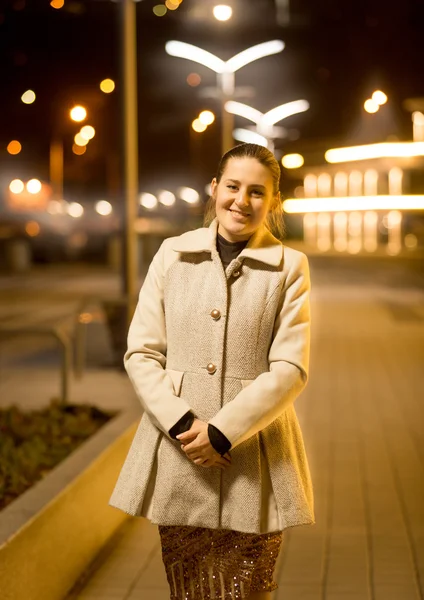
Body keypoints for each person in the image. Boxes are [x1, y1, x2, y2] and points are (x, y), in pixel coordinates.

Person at [109, 143, 314, 599]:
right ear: (215, 189)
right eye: (234, 187)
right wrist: (185, 427)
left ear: (273, 201)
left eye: (257, 192)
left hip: (255, 458)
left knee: (249, 590)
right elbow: (141, 352)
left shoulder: (290, 269)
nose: (242, 201)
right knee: (188, 591)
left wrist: (221, 432)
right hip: (179, 455)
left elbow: (291, 368)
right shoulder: (171, 255)